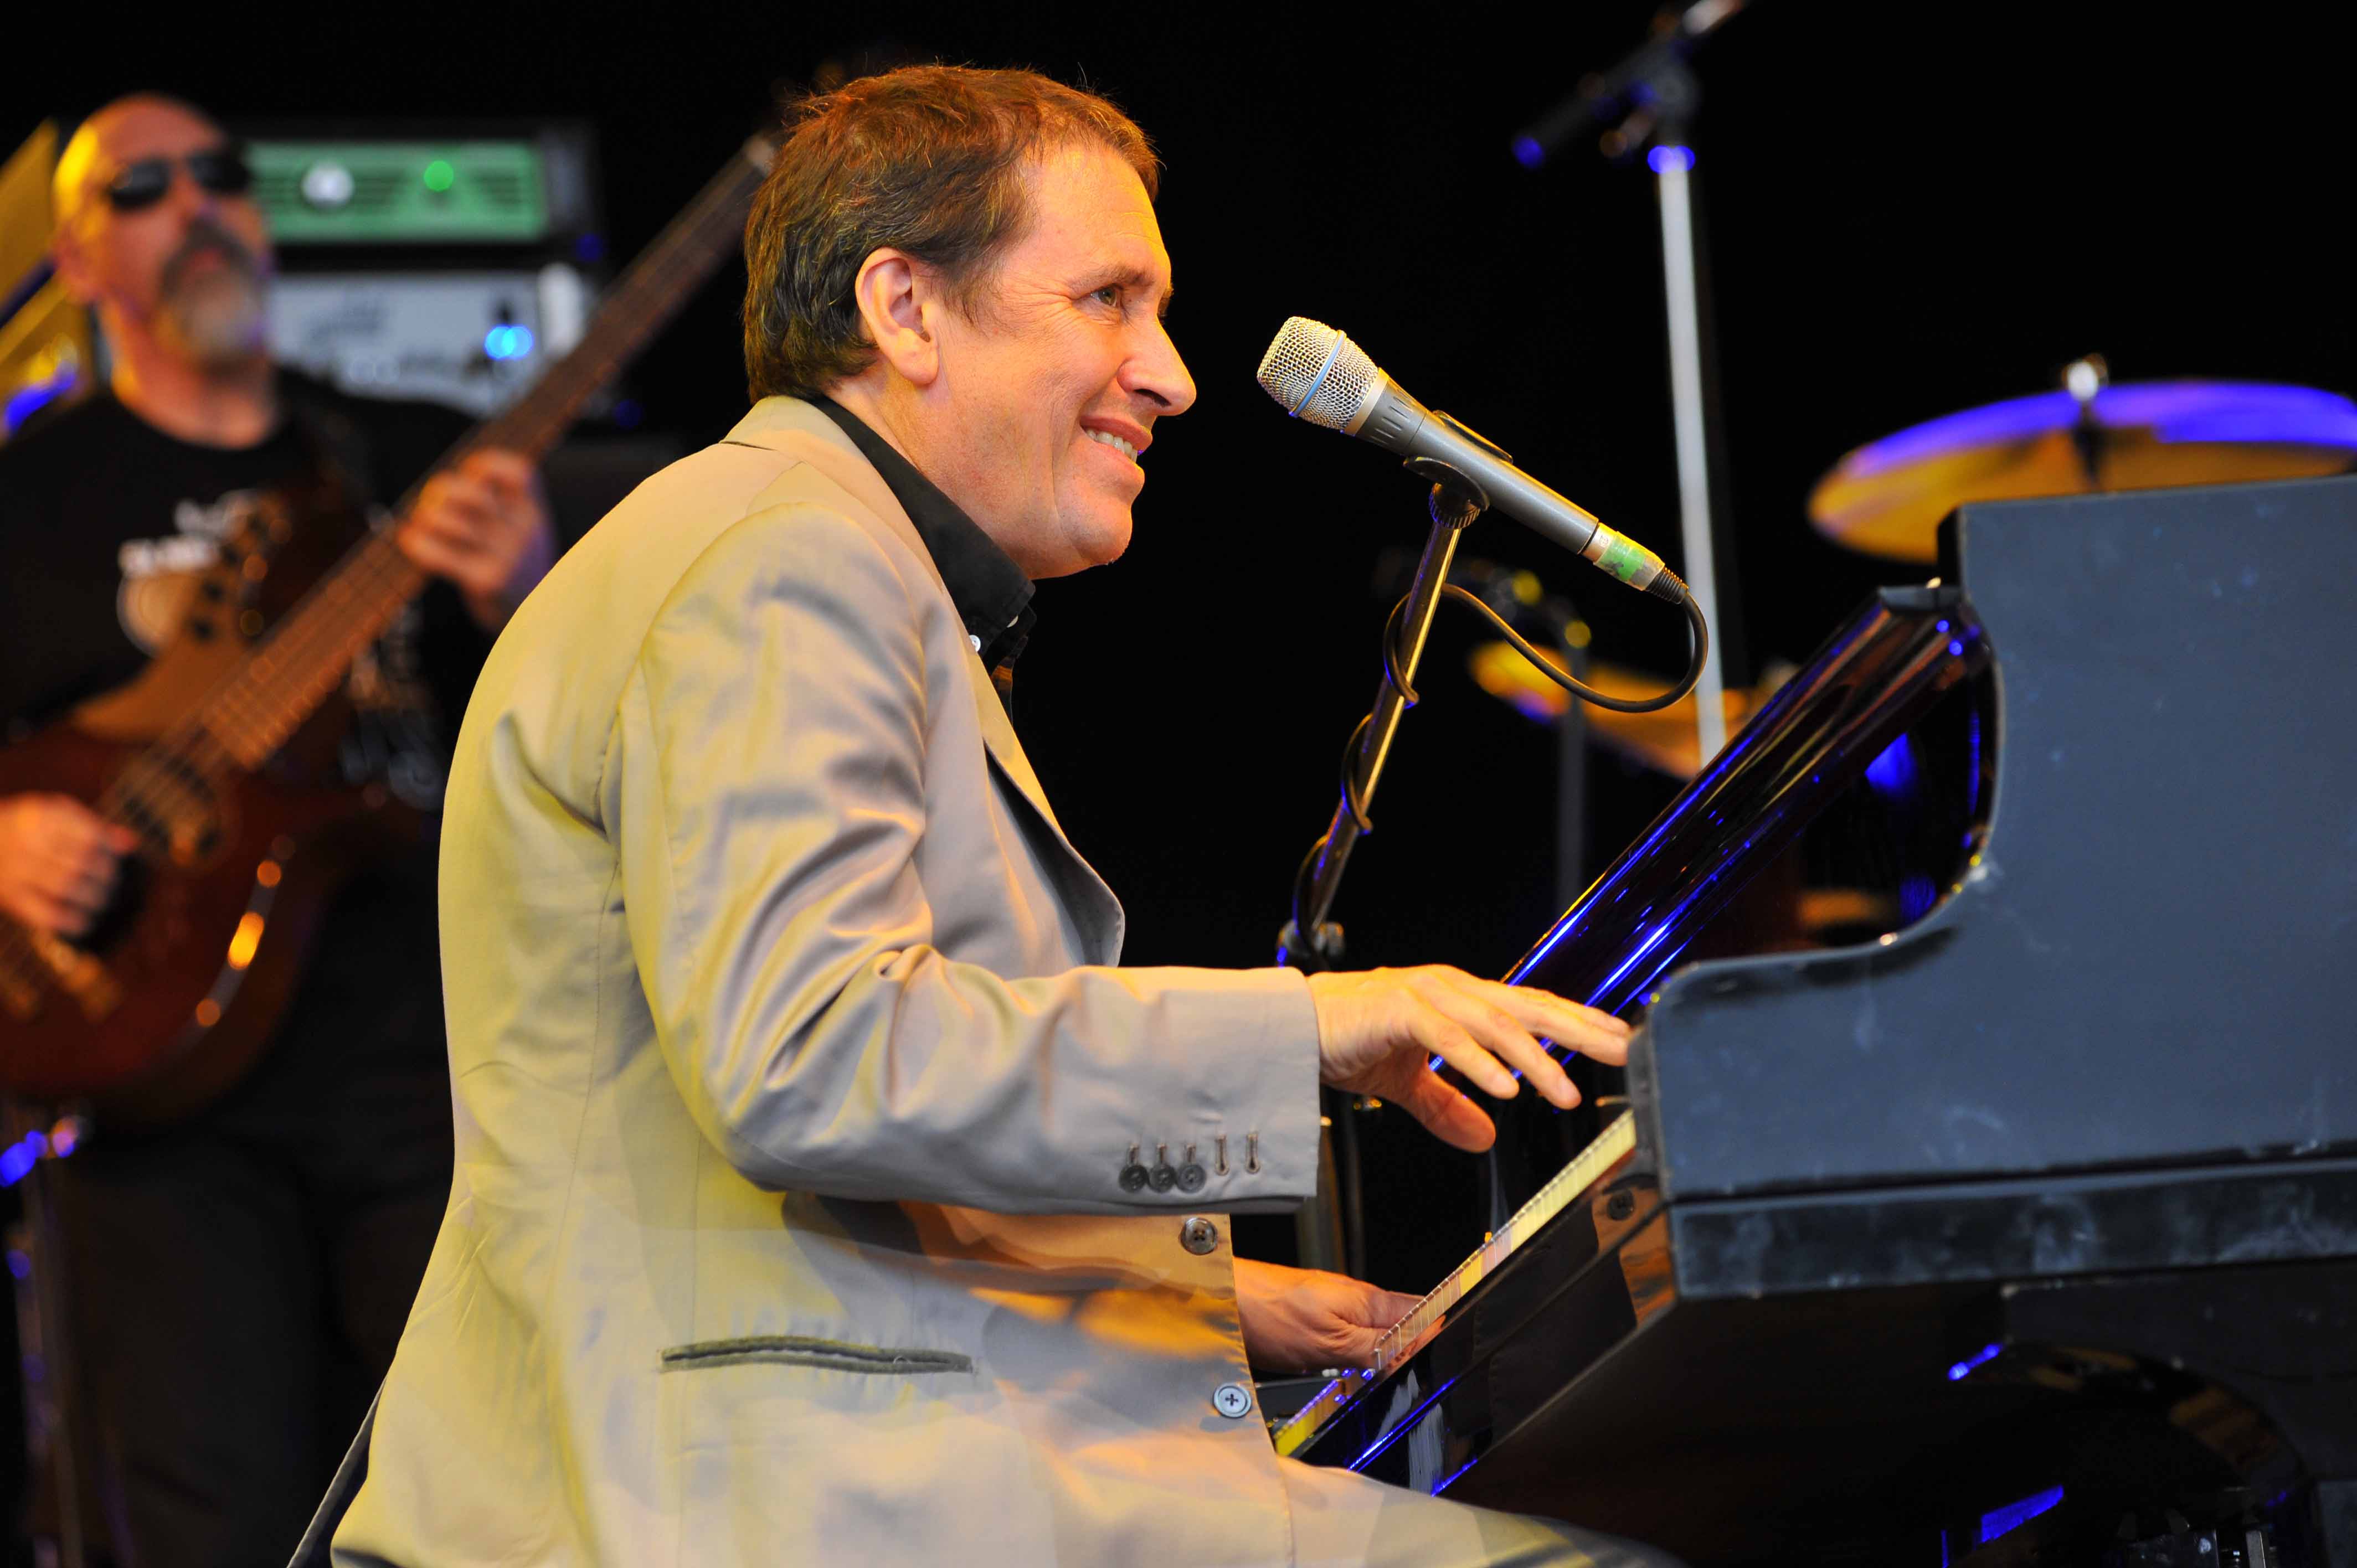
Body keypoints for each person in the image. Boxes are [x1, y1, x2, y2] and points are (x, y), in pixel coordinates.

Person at [341, 66, 1670, 1567]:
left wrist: (1194, 1304)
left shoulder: (793, 544)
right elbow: (812, 1058)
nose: (1171, 376)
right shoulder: (787, 560)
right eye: (1108, 299)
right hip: (768, 1507)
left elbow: (769, 1153)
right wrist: (1307, 1026)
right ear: (904, 308)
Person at [0, 95, 553, 1564]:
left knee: (476, 1501)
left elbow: (589, 732)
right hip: (158, 1097)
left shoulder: (408, 454)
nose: (196, 206)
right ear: (77, 259)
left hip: (430, 1076)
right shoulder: (29, 498)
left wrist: (531, 588)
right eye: (142, 189)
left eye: (221, 175)